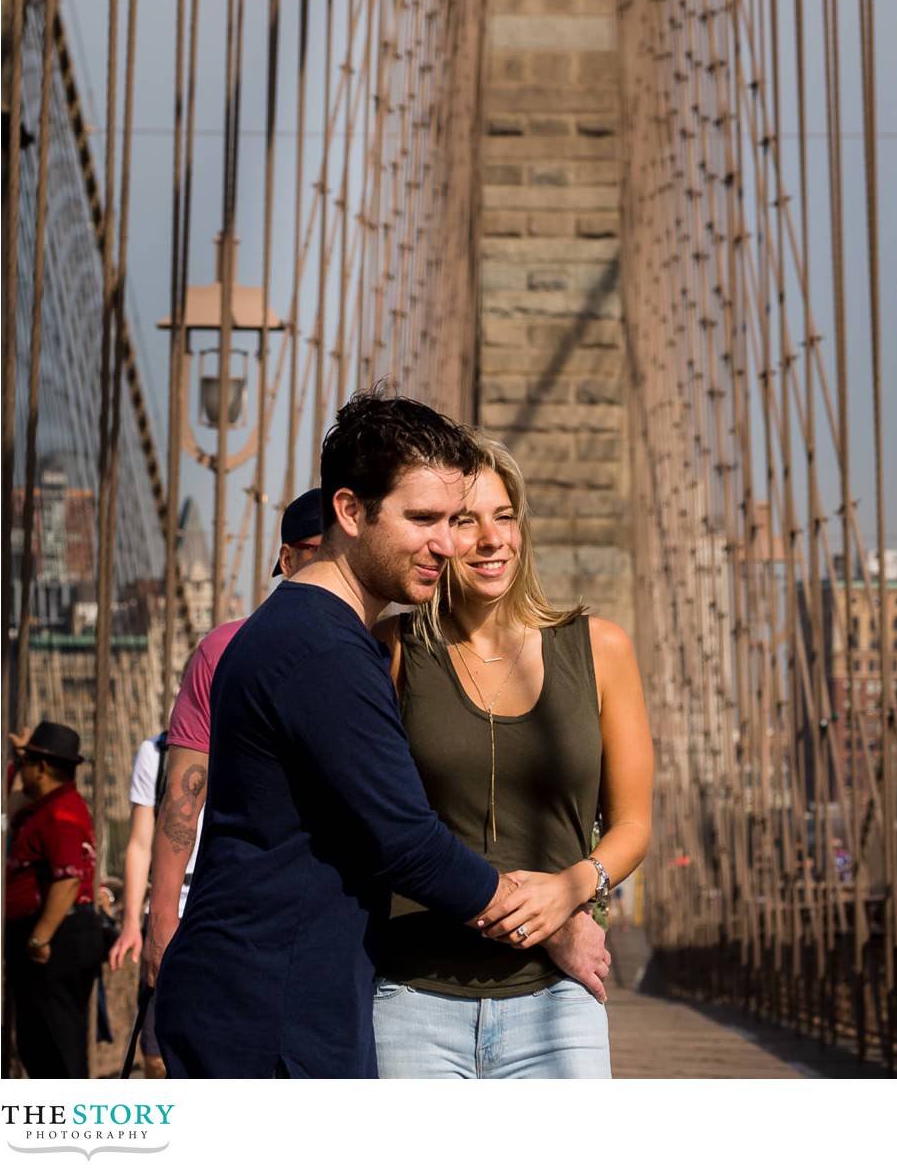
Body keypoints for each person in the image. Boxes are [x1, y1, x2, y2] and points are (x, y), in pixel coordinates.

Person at [153, 389, 583, 1078]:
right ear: (349, 511)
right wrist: (548, 920)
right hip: (271, 1011)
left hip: (265, 994)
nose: (446, 544)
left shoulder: (301, 631)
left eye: (452, 519)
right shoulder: (322, 652)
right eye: (420, 519)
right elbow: (408, 845)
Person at [371, 432, 653, 1078]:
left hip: (555, 1002)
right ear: (437, 535)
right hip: (415, 999)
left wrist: (570, 891)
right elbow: (373, 820)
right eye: (466, 522)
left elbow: (633, 826)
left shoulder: (600, 650)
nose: (491, 539)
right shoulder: (393, 650)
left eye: (504, 517)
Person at [141, 487, 323, 990]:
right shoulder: (222, 650)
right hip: (238, 918)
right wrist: (161, 925)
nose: (335, 569)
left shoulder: (385, 651)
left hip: (340, 924)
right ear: (287, 559)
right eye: (320, 551)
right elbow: (182, 797)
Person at [4, 721, 110, 1078]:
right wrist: (22, 757)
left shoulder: (60, 812)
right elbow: (13, 797)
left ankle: (67, 1125)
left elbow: (67, 879)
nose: (22, 771)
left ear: (44, 768)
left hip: (57, 938)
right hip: (50, 935)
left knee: (57, 1045)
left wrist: (40, 938)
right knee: (37, 1043)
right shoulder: (45, 806)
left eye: (27, 764)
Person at [107, 730, 172, 1076]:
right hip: (164, 911)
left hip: (225, 909)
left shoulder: (247, 733)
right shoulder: (156, 751)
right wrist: (132, 923)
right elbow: (139, 844)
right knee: (157, 1054)